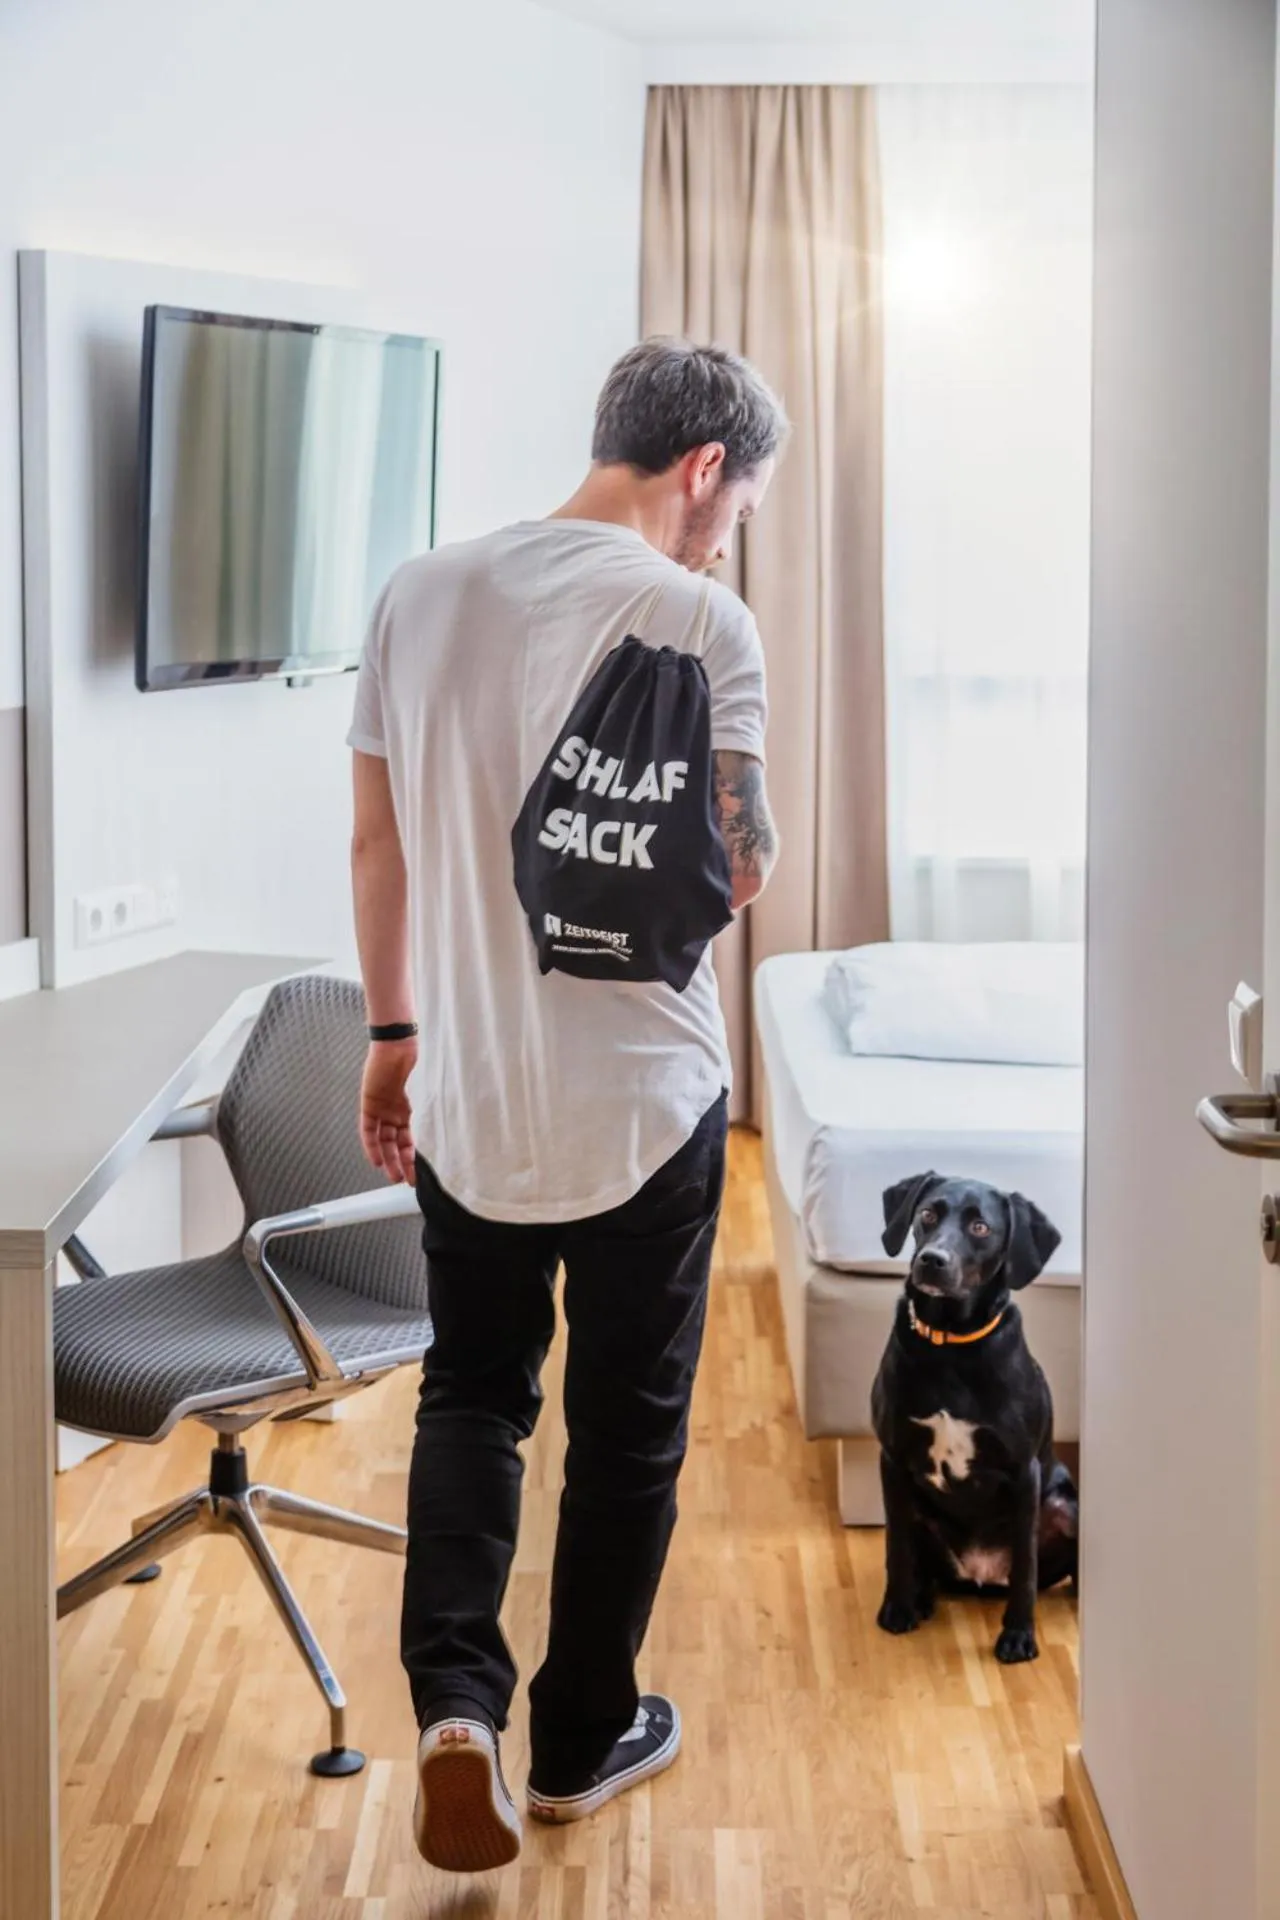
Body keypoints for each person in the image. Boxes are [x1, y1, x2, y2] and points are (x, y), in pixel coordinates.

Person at [347, 337, 785, 1873]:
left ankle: (454, 1709)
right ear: (705, 467)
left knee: (473, 1395)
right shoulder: (699, 618)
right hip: (647, 1102)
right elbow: (741, 870)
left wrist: (393, 1035)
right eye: (737, 510)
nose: (724, 540)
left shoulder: (418, 593)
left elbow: (379, 844)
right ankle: (583, 1737)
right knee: (626, 1432)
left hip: (469, 1094)